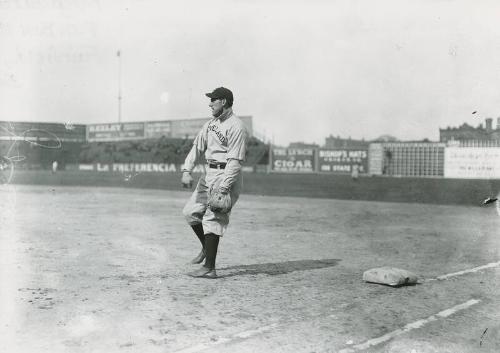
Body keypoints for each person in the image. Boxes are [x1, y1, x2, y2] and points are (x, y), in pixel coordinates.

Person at [181, 87, 249, 279]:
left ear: (224, 102)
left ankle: (209, 268)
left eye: (213, 100)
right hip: (209, 173)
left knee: (212, 218)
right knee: (190, 212)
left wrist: (224, 187)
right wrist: (187, 170)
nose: (210, 103)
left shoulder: (237, 126)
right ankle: (206, 247)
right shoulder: (211, 124)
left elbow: (235, 161)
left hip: (226, 174)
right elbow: (197, 147)